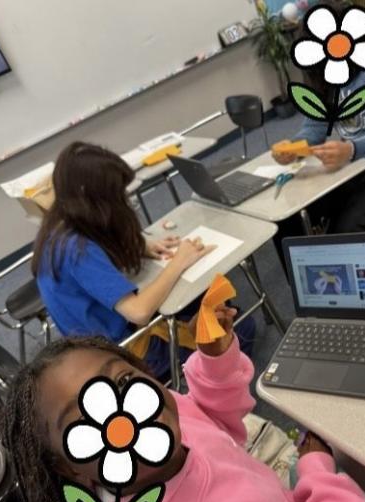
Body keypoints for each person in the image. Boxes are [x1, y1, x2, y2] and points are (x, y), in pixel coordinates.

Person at [0, 310, 365, 502]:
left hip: (280, 495)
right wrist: (316, 469)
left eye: (125, 380)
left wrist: (215, 361)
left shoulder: (163, 416)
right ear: (67, 467)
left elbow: (211, 417)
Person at [31, 142, 254, 383]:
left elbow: (97, 255)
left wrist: (141, 248)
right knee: (243, 327)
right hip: (125, 355)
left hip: (97, 346)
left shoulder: (59, 228)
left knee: (202, 301)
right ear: (93, 199)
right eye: (117, 195)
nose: (124, 201)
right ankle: (210, 395)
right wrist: (178, 262)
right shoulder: (77, 252)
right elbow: (139, 312)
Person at [272, 3, 365, 244]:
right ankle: (302, 280)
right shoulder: (323, 73)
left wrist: (351, 150)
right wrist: (293, 148)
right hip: (354, 164)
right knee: (287, 217)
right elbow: (315, 127)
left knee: (347, 231)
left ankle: (347, 277)